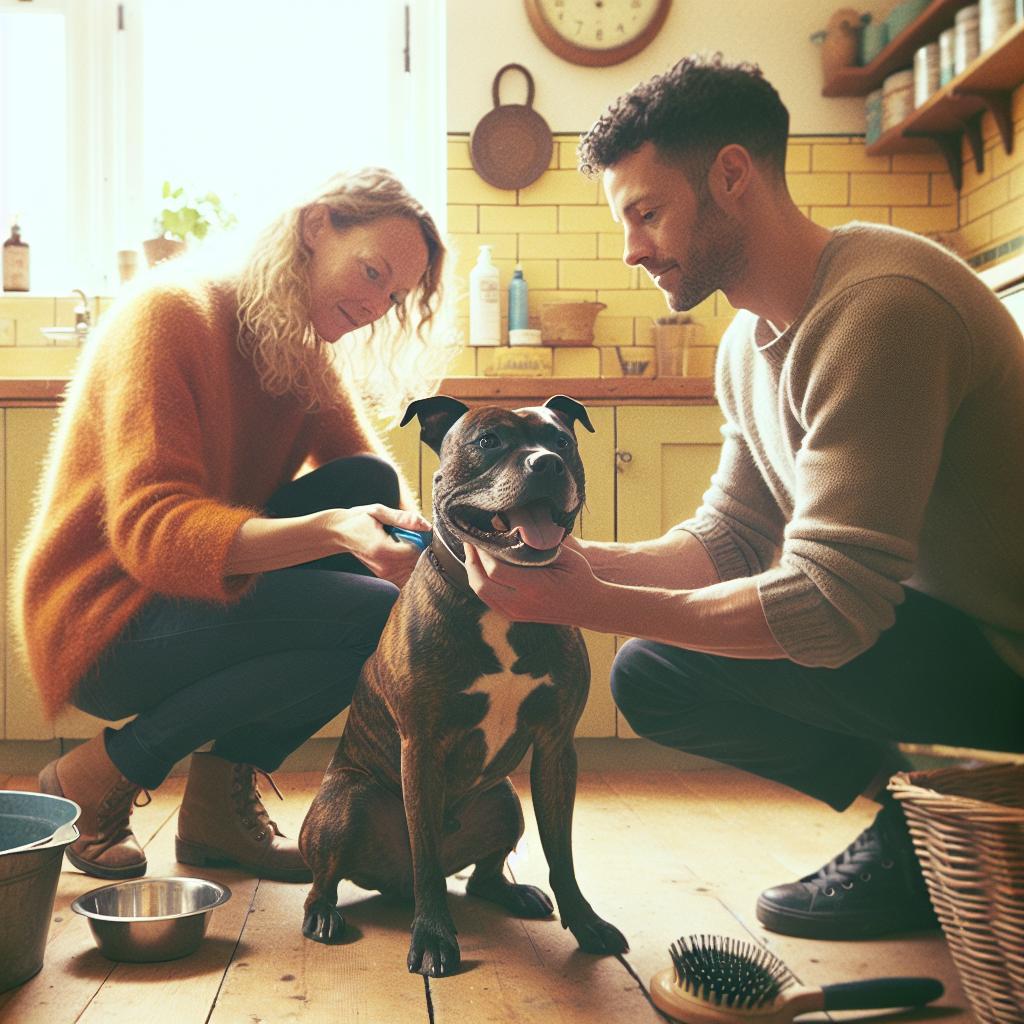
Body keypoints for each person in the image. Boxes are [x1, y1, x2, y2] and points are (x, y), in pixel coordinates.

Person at [461, 54, 1024, 940]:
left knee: (653, 639)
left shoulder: (882, 307)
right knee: (656, 671)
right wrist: (545, 558)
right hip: (928, 636)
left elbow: (832, 604)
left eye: (646, 213)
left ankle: (963, 807)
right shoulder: (746, 340)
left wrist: (594, 601)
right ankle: (926, 820)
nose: (631, 248)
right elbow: (728, 535)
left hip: (1005, 661)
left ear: (731, 176)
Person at [13, 168, 447, 884]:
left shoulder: (295, 344)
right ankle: (101, 774)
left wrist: (442, 563)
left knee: (373, 505)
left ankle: (216, 809)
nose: (376, 304)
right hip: (106, 618)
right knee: (375, 615)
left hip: (190, 597)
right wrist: (338, 533)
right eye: (371, 272)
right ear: (315, 229)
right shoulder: (169, 313)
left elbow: (369, 481)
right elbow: (154, 535)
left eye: (394, 294)